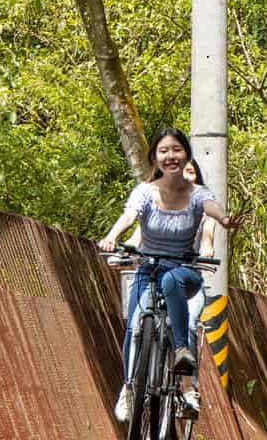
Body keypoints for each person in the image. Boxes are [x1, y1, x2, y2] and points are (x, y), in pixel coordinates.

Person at [98, 129, 242, 423]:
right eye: (163, 151)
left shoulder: (198, 194)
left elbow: (212, 209)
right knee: (134, 325)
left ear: (187, 155)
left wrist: (225, 219)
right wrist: (112, 236)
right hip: (148, 269)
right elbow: (129, 216)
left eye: (177, 150)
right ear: (154, 157)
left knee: (172, 284)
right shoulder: (145, 192)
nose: (170, 156)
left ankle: (181, 355)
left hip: (184, 272)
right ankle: (129, 387)